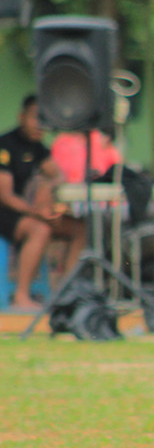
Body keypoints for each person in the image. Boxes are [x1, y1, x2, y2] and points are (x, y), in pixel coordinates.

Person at [0, 95, 86, 310]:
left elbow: (57, 174)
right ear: (22, 117)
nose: (40, 125)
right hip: (6, 212)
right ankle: (21, 296)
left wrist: (47, 186)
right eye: (35, 118)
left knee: (80, 228)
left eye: (44, 119)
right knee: (40, 230)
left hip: (31, 212)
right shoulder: (5, 146)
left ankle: (66, 292)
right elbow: (6, 196)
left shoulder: (38, 148)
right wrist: (37, 212)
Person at [50, 129, 121, 184]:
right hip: (68, 194)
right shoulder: (62, 143)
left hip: (98, 195)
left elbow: (117, 172)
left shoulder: (101, 141)